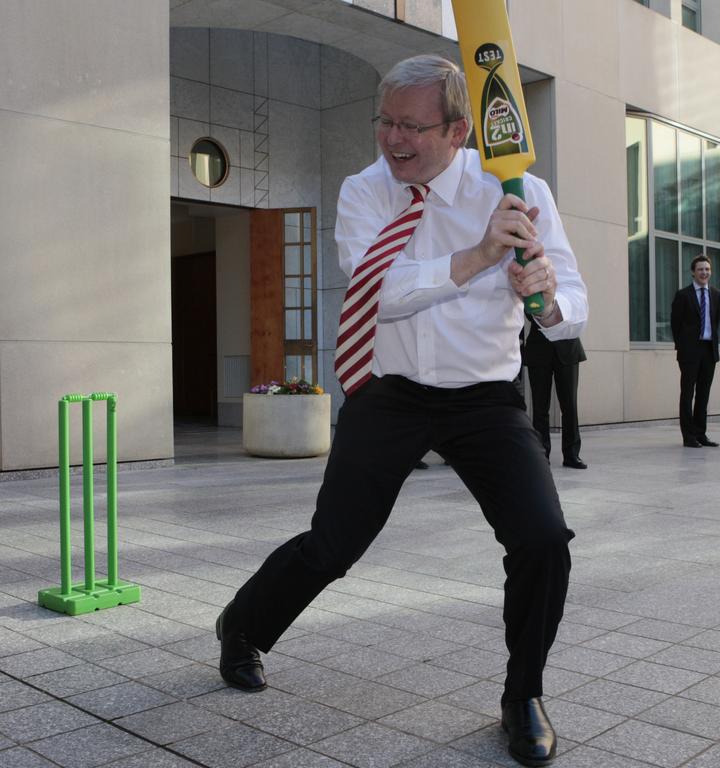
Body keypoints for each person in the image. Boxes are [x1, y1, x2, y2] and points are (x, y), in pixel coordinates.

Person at [216, 54, 587, 767]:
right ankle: (243, 626)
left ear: (458, 129)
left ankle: (523, 694)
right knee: (333, 546)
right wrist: (479, 255)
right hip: (390, 393)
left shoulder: (516, 188)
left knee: (542, 540)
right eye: (384, 121)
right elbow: (375, 290)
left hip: (485, 397)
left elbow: (570, 310)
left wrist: (544, 291)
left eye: (411, 126)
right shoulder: (366, 191)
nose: (393, 140)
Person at [670, 254, 720, 448]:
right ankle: (688, 436)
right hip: (689, 352)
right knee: (687, 393)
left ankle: (701, 433)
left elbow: (715, 322)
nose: (704, 272)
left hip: (709, 350)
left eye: (707, 269)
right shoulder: (683, 295)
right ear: (693, 272)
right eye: (700, 269)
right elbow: (676, 324)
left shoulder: (716, 294)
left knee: (704, 393)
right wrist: (682, 347)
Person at [524, 318, 587, 468]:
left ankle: (572, 455)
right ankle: (541, 455)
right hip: (539, 348)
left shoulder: (571, 292)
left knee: (570, 406)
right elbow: (531, 310)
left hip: (568, 348)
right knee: (540, 408)